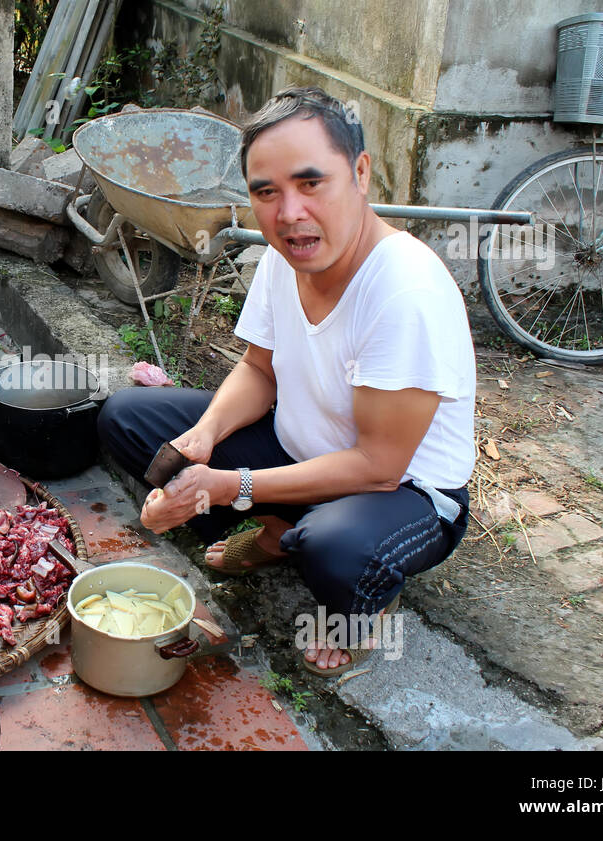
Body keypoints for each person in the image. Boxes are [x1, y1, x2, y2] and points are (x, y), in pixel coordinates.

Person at [98, 87, 476, 676]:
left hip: (404, 493)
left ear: (359, 173)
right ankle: (280, 529)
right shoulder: (287, 254)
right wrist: (203, 435)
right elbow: (258, 369)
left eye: (311, 183)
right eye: (265, 192)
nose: (289, 212)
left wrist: (229, 485)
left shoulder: (405, 290)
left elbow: (379, 465)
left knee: (336, 550)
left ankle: (360, 598)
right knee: (127, 418)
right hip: (302, 452)